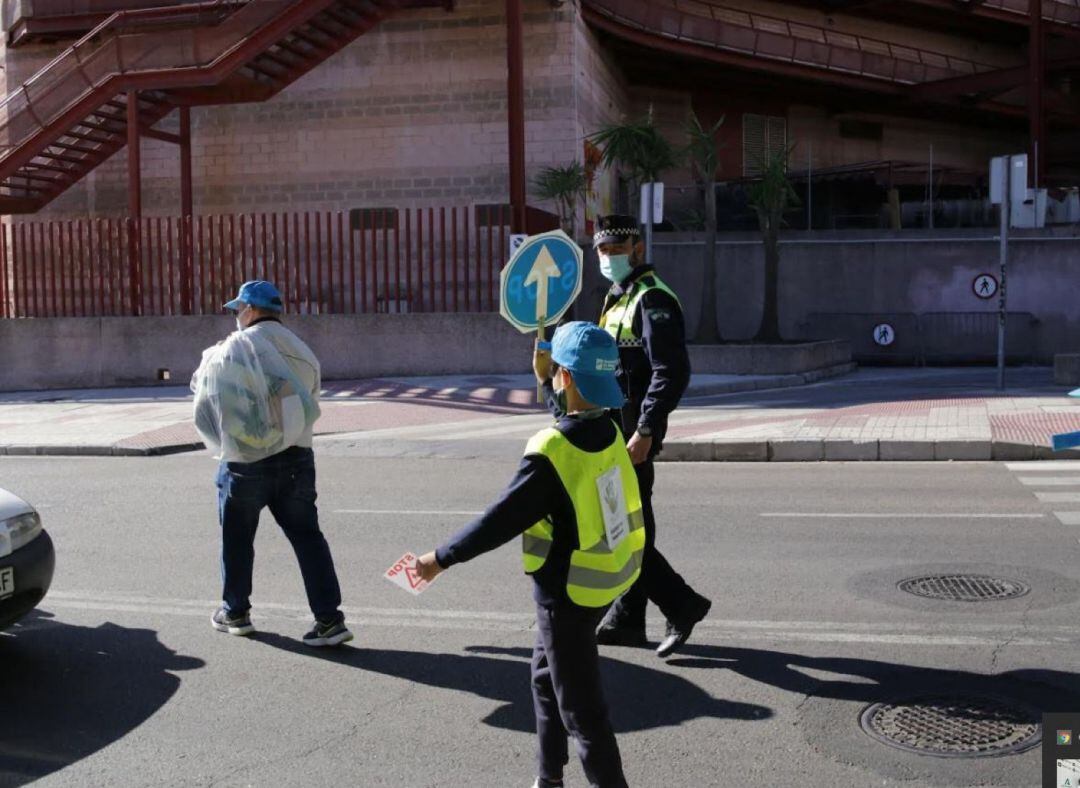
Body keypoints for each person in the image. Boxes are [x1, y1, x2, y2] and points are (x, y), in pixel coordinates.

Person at [414, 322, 645, 788]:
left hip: (568, 592)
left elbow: (498, 521)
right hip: (608, 575)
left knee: (583, 711)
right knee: (543, 676)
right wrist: (546, 378)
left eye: (557, 375)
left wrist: (437, 560)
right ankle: (548, 777)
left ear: (565, 375)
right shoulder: (611, 425)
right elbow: (573, 409)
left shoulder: (549, 454)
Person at [191, 280, 352, 647]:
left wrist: (227, 440)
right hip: (297, 458)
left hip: (245, 462)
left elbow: (207, 406)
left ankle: (236, 612)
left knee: (237, 539)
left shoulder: (235, 349)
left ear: (249, 309)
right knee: (308, 539)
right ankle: (329, 620)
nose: (236, 316)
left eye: (238, 310)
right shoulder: (304, 352)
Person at [589, 213, 711, 658]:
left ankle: (682, 604)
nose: (608, 257)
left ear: (637, 249)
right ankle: (627, 618)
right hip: (611, 432)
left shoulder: (651, 298)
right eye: (602, 250)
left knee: (624, 533)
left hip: (631, 438)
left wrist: (645, 429)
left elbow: (671, 371)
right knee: (630, 529)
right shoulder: (616, 297)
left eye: (616, 250)